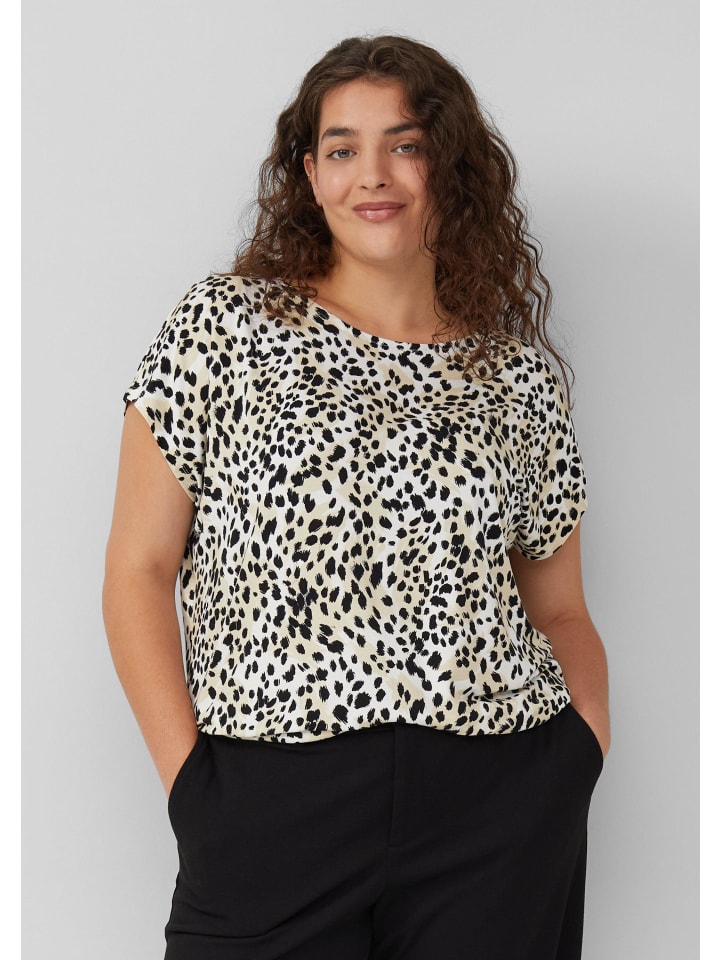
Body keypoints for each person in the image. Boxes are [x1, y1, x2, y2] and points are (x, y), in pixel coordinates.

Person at [103, 34, 609, 960]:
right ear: (310, 173)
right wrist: (195, 792)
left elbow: (561, 606)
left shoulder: (517, 376)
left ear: (450, 165)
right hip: (270, 800)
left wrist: (579, 751)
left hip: (497, 804)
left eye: (406, 144)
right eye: (342, 148)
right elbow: (139, 570)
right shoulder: (224, 326)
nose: (373, 174)